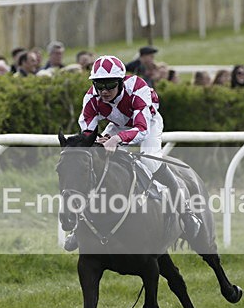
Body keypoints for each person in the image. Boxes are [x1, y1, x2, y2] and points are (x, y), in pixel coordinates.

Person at [64, 54, 201, 250]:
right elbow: (87, 129)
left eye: (110, 85)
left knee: (151, 163)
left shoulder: (137, 88)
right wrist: (96, 140)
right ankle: (78, 227)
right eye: (99, 85)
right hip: (118, 125)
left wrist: (116, 139)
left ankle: (187, 213)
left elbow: (141, 129)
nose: (104, 91)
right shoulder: (91, 97)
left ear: (120, 81)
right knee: (96, 163)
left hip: (147, 123)